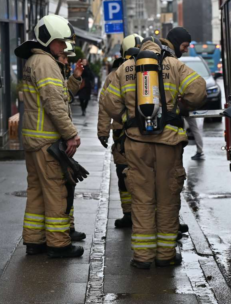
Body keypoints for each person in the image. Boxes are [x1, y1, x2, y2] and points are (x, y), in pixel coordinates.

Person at [101, 37, 206, 269]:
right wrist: (182, 105)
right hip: (169, 143)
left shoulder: (126, 68)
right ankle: (165, 255)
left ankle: (142, 258)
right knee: (167, 200)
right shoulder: (173, 64)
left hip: (136, 144)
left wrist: (127, 117)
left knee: (142, 199)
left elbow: (109, 103)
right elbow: (198, 90)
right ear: (162, 48)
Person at [14, 14, 84, 259]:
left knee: (36, 191)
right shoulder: (45, 63)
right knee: (56, 191)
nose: (65, 47)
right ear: (50, 39)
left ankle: (34, 241)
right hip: (47, 142)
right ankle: (58, 244)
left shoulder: (33, 60)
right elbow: (54, 103)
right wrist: (71, 134)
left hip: (34, 141)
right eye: (62, 42)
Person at [97, 34, 142, 228]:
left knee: (124, 174)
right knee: (144, 175)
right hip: (143, 133)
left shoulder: (114, 75)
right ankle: (144, 213)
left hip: (122, 134)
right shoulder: (149, 71)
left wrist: (103, 132)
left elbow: (105, 104)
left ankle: (130, 213)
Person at [57, 41, 86, 242]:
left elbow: (64, 96)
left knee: (67, 184)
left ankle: (69, 227)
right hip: (53, 141)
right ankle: (61, 234)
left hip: (55, 140)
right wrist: (71, 134)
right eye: (65, 58)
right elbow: (57, 106)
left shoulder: (58, 74)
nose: (67, 61)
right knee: (62, 187)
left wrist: (75, 77)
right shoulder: (50, 71)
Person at [167, 27, 204, 161]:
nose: (186, 49)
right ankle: (200, 150)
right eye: (184, 46)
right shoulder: (174, 63)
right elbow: (197, 88)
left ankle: (200, 150)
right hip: (174, 119)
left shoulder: (161, 60)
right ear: (176, 43)